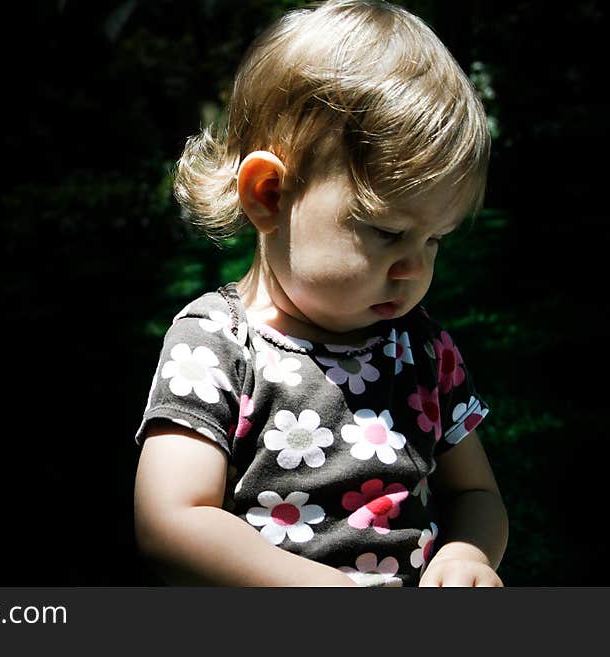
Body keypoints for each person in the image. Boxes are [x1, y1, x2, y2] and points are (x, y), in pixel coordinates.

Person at [133, 0, 508, 587]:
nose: (413, 267)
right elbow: (172, 519)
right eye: (387, 232)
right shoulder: (217, 345)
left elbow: (476, 491)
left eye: (435, 239)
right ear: (269, 195)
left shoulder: (422, 351)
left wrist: (467, 554)